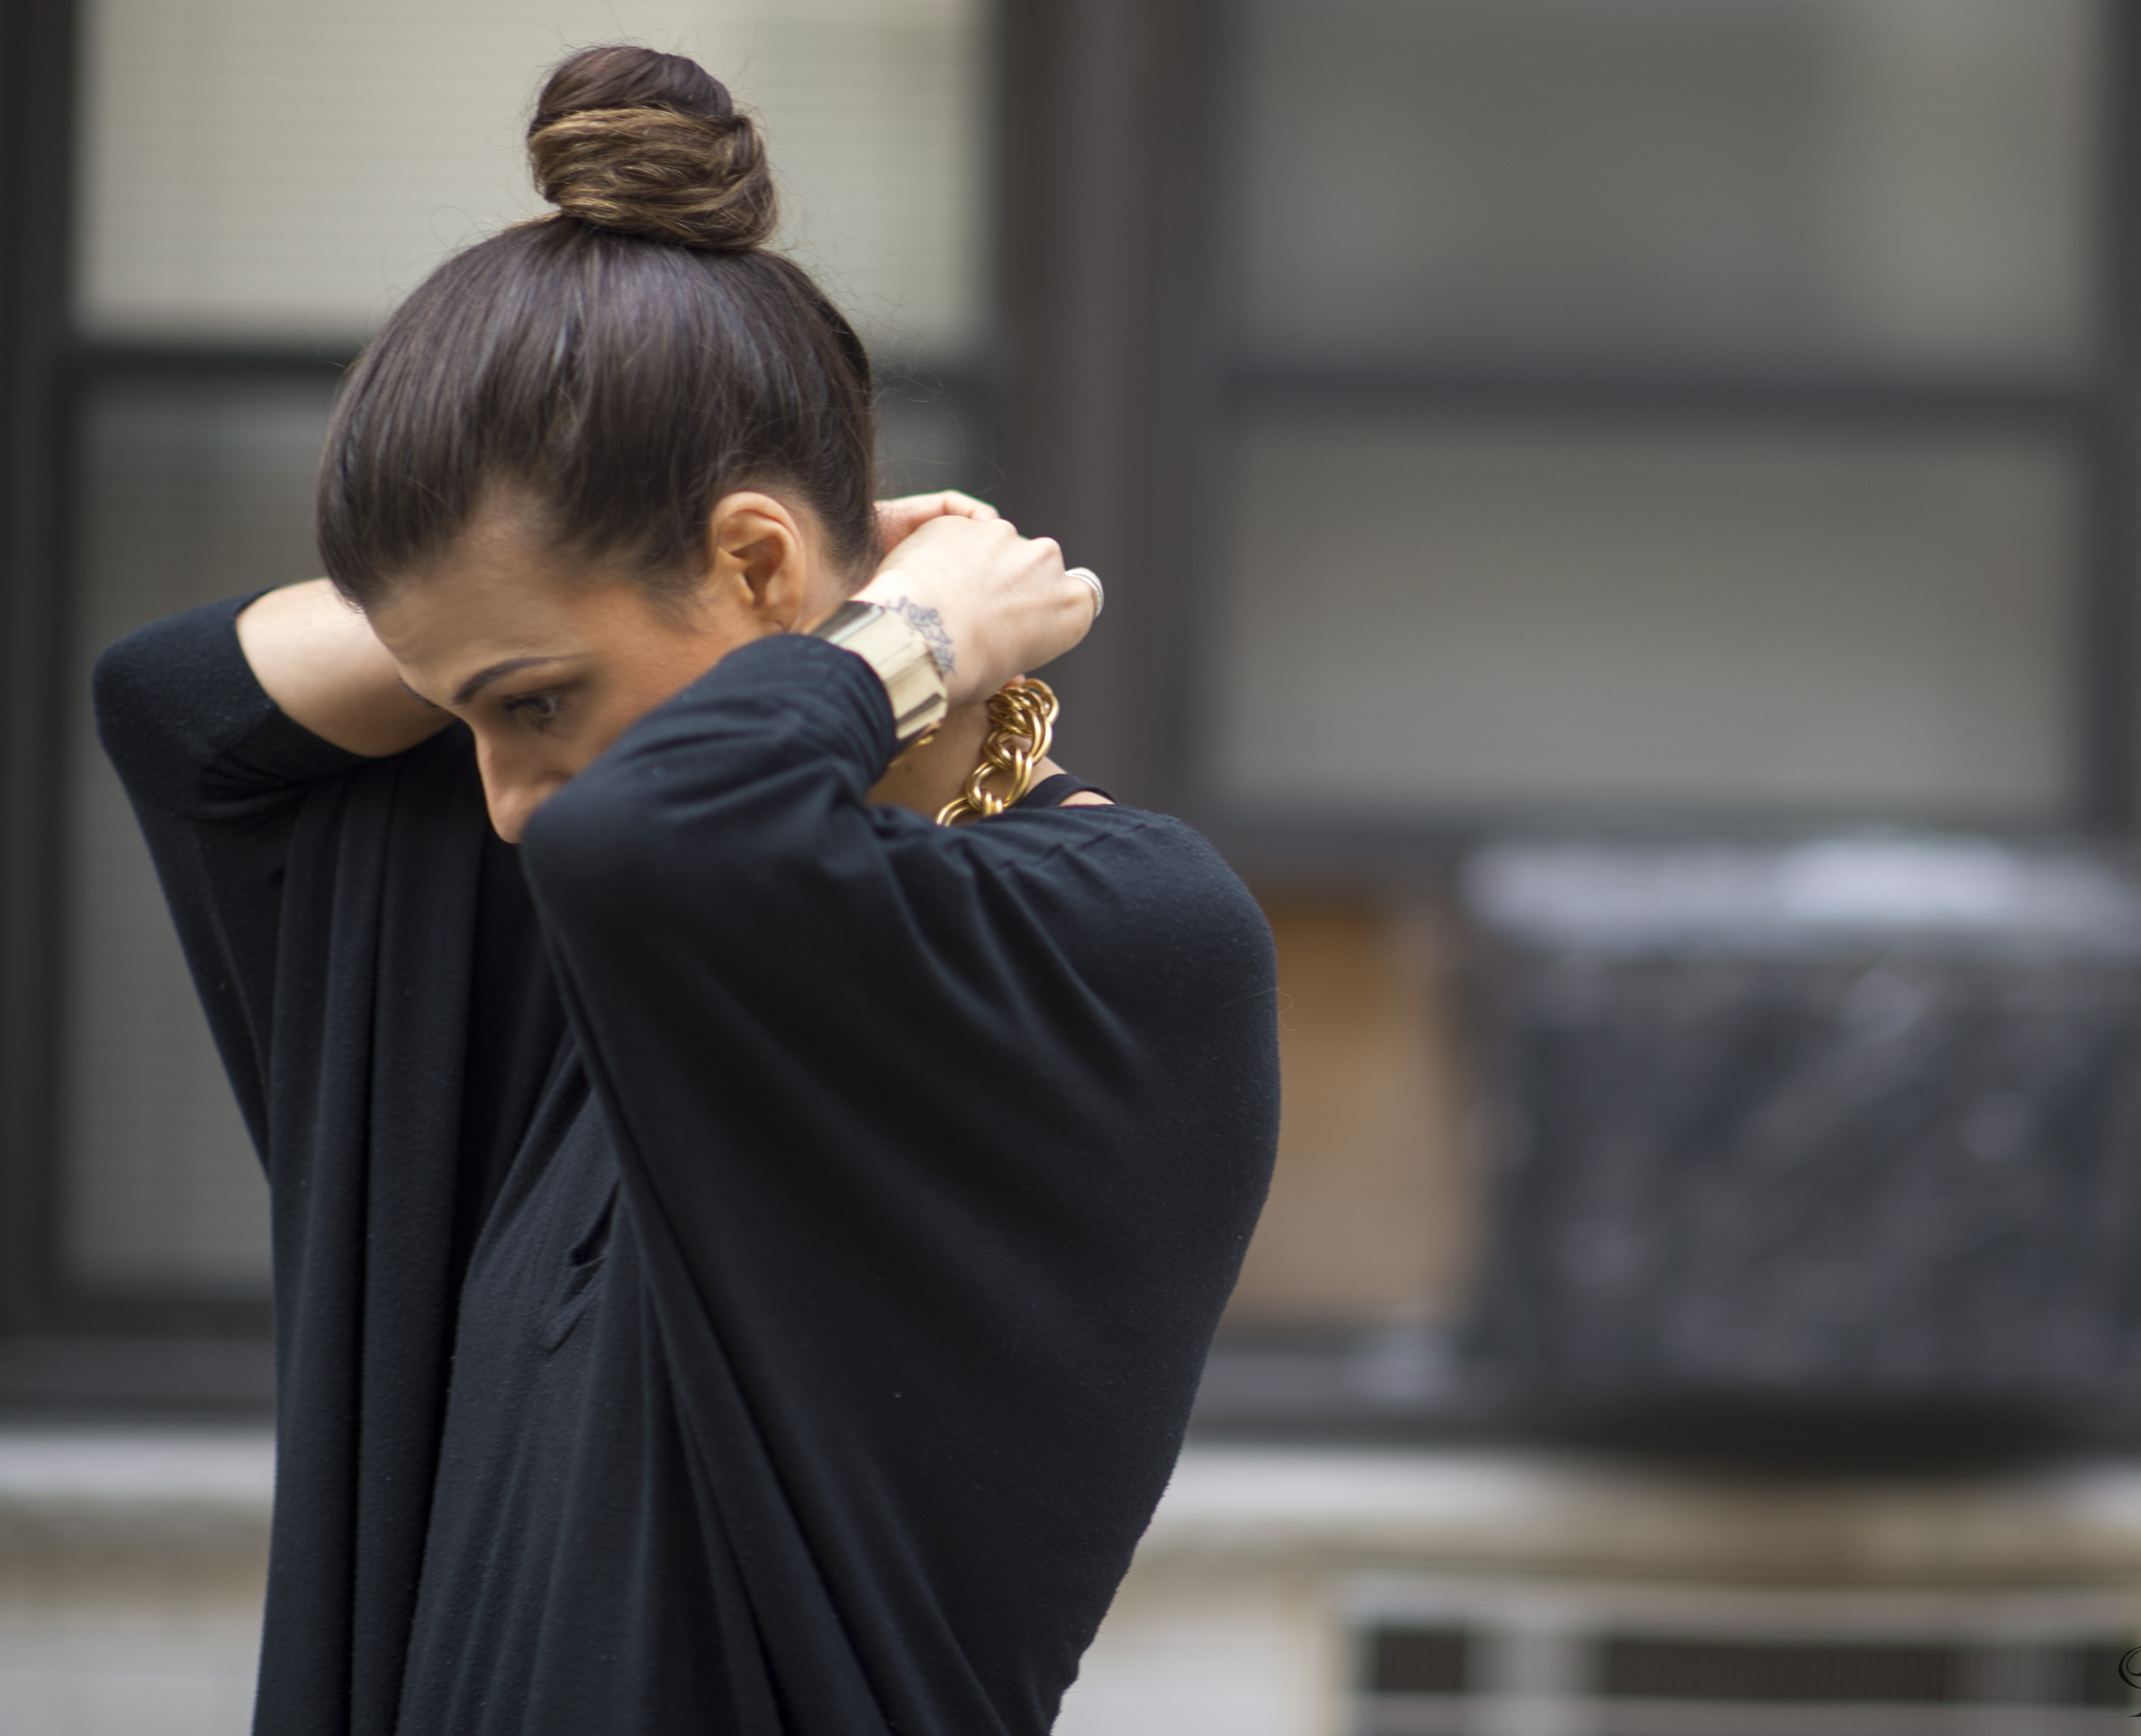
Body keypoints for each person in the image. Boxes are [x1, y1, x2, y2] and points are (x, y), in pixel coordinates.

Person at [93, 44, 1280, 1736]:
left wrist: (921, 634)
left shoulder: (1116, 942)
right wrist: (502, 612)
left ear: (755, 562)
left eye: (533, 701)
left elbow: (654, 840)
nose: (500, 805)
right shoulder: (616, 929)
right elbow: (178, 709)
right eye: (462, 715)